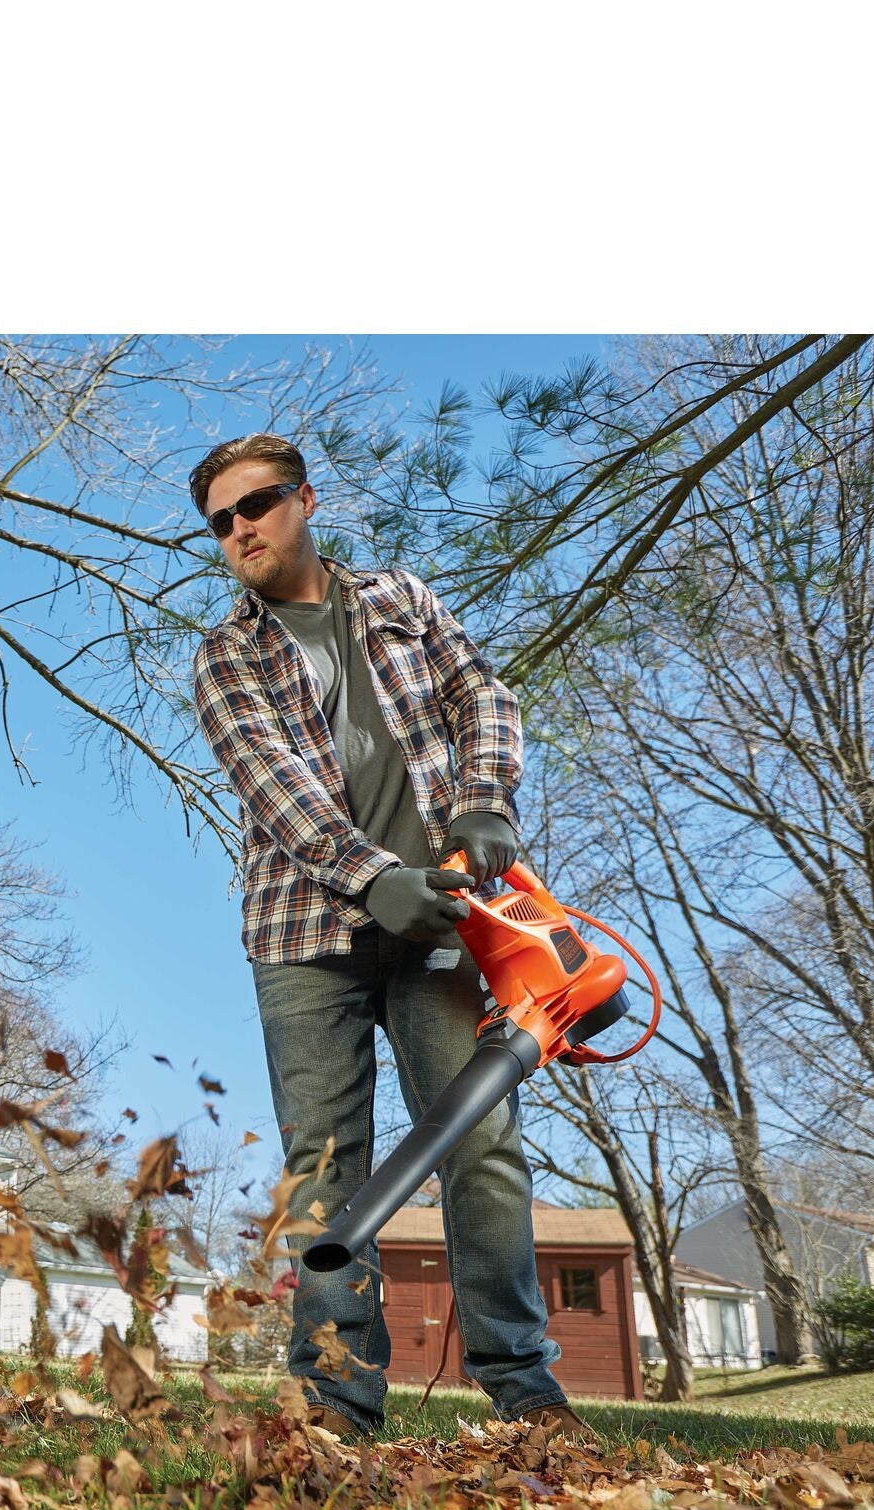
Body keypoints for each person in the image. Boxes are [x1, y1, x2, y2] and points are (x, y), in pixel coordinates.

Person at [189, 431, 588, 1441]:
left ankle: (522, 1392)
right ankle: (334, 1404)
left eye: (257, 503)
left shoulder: (400, 599)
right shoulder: (224, 655)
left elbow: (481, 694)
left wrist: (484, 804)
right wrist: (374, 879)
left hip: (443, 921)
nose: (239, 527)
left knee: (481, 1145)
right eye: (220, 519)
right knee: (326, 1167)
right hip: (302, 935)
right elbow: (273, 791)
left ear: (305, 500)